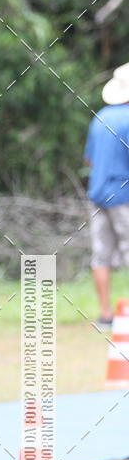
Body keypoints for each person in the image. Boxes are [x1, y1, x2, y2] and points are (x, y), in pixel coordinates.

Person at [84, 62, 129, 327]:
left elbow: (90, 160)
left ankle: (105, 315)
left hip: (98, 194)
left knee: (101, 255)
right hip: (123, 196)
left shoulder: (99, 117)